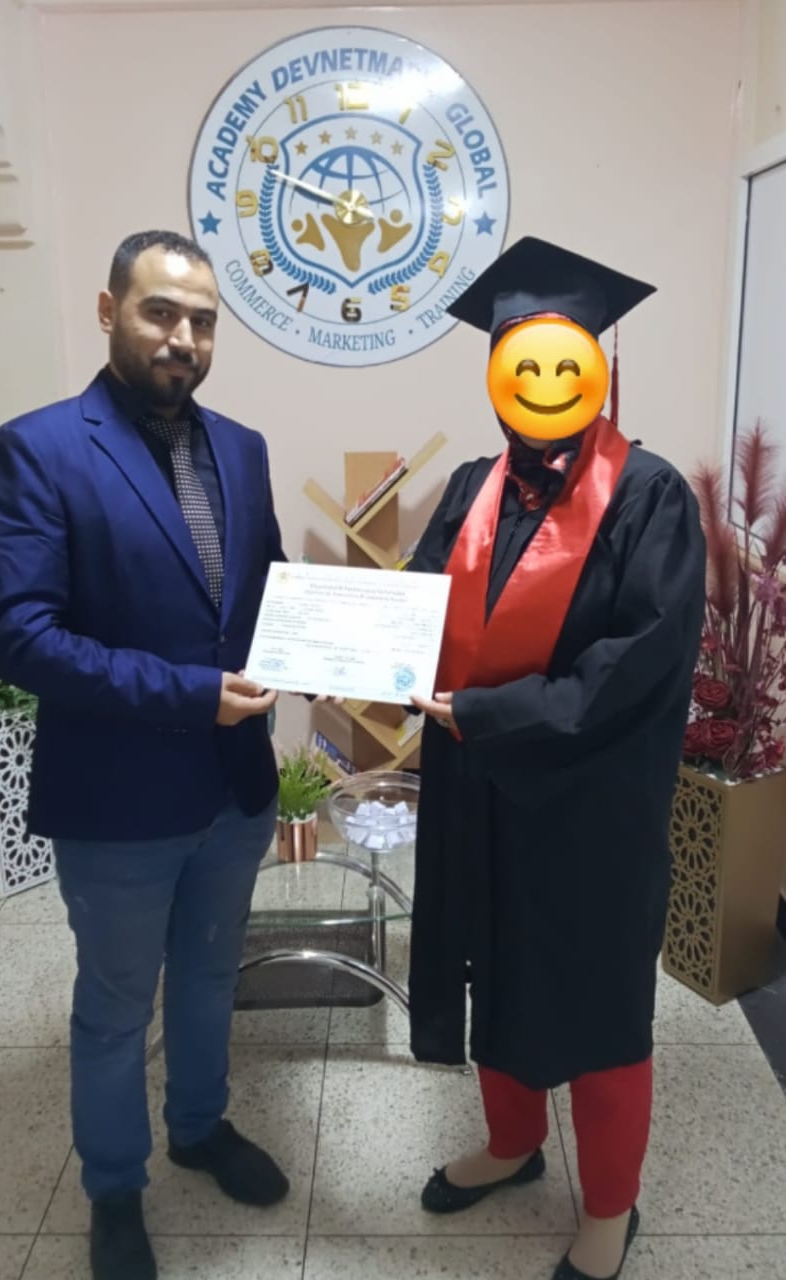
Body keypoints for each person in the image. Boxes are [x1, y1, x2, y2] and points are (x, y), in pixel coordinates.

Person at [0, 230, 291, 1280]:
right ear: (109, 311)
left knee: (208, 973)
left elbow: (266, 588)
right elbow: (19, 635)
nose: (182, 337)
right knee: (114, 1004)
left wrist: (322, 647)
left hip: (234, 789)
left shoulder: (241, 447)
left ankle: (198, 1125)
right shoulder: (35, 451)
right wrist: (193, 694)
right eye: (160, 311)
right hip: (117, 799)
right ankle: (115, 1186)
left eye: (202, 320)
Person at [408, 237, 706, 1280]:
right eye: (520, 362)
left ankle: (610, 1205)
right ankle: (512, 1143)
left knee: (594, 994)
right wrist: (344, 646)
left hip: (588, 802)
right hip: (477, 789)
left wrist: (487, 713)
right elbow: (413, 606)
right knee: (491, 964)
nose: (541, 382)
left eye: (561, 359)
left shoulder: (650, 497)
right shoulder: (468, 486)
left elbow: (636, 666)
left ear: (596, 369)